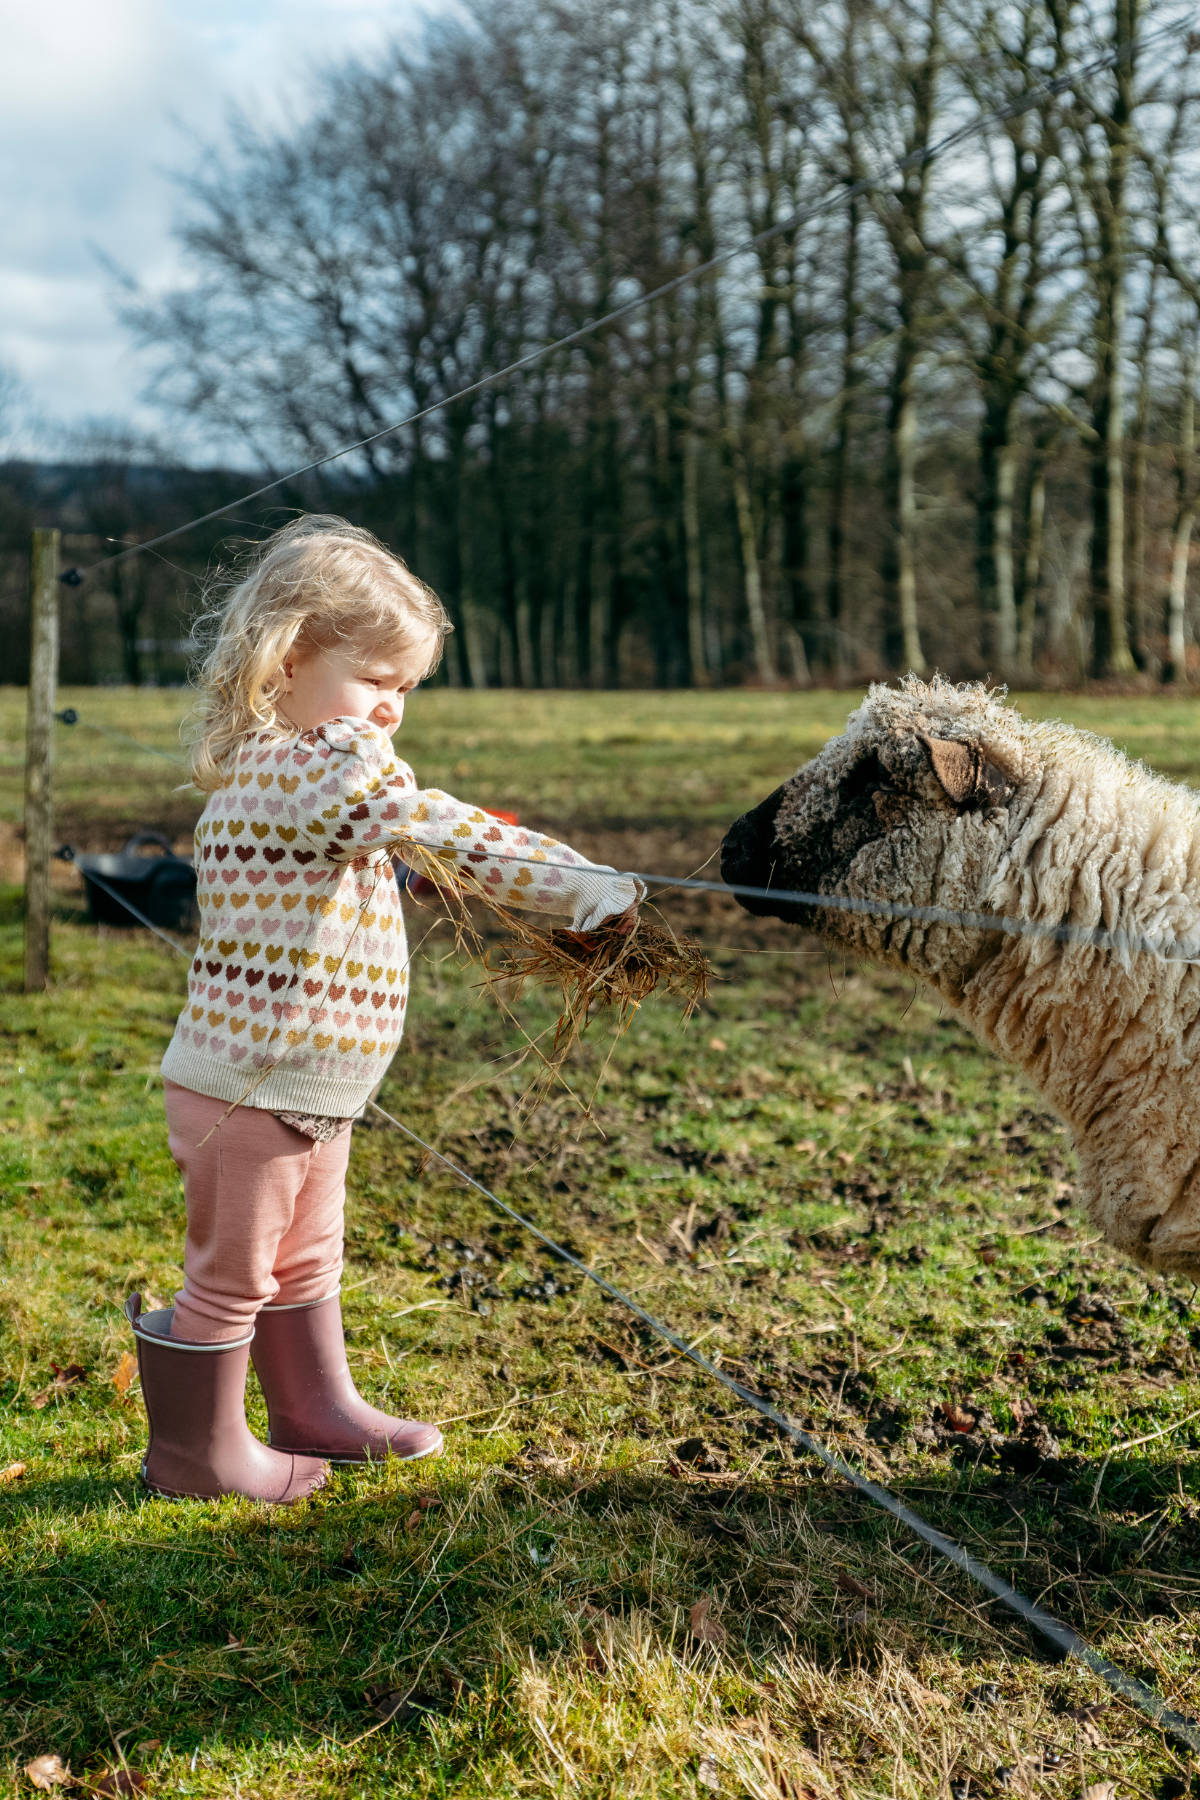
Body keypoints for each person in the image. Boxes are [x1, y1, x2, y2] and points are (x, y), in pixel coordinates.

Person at [125, 516, 642, 1504]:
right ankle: (197, 1455)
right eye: (379, 680)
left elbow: (326, 871)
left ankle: (314, 1406)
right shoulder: (326, 764)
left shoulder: (282, 772)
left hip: (301, 1083)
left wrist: (397, 879)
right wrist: (572, 883)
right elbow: (429, 821)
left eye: (406, 689)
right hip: (254, 1091)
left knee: (307, 1252)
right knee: (231, 1276)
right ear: (286, 660)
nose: (393, 710)